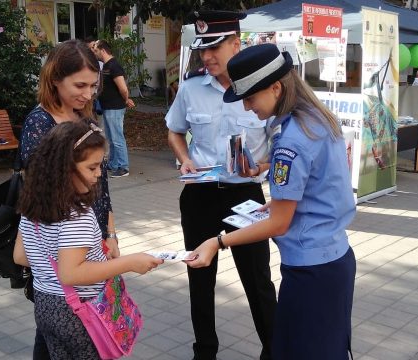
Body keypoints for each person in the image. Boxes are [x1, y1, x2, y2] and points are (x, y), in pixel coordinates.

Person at [187, 43, 357, 360]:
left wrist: (218, 241)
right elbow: (314, 183)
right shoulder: (313, 118)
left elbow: (280, 223)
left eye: (250, 98)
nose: (248, 108)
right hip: (334, 259)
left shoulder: (292, 138)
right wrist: (272, 187)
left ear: (276, 87)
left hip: (312, 272)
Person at [165, 10, 276, 360]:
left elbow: (283, 147)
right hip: (200, 195)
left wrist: (260, 166)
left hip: (247, 197)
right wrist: (183, 157)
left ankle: (275, 349)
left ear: (236, 43)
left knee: (257, 280)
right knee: (200, 278)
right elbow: (174, 130)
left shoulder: (263, 86)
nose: (207, 57)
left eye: (214, 48)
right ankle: (205, 351)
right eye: (202, 50)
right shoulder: (191, 87)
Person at [13, 121, 163, 359]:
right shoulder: (77, 215)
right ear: (64, 168)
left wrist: (60, 262)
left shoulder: (33, 203)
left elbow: (20, 255)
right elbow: (71, 274)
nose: (99, 174)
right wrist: (131, 262)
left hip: (45, 306)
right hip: (80, 310)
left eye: (100, 166)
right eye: (92, 167)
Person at [20, 39, 118, 360]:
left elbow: (101, 185)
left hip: (90, 240)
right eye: (79, 85)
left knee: (66, 333)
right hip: (61, 249)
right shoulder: (39, 125)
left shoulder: (85, 119)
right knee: (61, 327)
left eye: (93, 85)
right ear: (54, 79)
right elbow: (40, 194)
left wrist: (109, 233)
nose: (88, 94)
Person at [95, 40, 135, 178]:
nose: (95, 53)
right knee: (111, 138)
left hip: (115, 107)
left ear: (103, 50)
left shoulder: (114, 66)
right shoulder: (106, 65)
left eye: (96, 50)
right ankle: (113, 164)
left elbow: (123, 88)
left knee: (117, 137)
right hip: (107, 107)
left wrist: (126, 99)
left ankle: (123, 167)